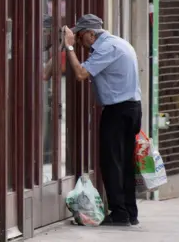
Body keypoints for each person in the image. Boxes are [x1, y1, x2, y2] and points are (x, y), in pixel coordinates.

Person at [60, 14, 142, 226]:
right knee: (124, 163)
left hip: (118, 110)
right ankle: (129, 212)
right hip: (131, 108)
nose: (79, 43)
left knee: (111, 162)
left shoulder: (107, 49)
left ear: (90, 34)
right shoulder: (119, 43)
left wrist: (68, 48)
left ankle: (119, 213)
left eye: (79, 38)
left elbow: (80, 73)